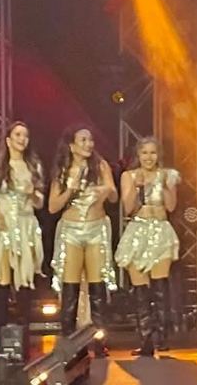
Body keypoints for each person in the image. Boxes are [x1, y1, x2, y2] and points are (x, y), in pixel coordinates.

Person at [48, 126, 117, 351]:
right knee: (71, 286)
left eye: (90, 140)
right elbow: (52, 207)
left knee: (97, 285)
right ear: (72, 145)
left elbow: (114, 196)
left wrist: (105, 190)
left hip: (96, 228)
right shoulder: (63, 170)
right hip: (71, 230)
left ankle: (98, 340)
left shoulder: (100, 166)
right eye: (83, 140)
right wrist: (71, 188)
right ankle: (69, 338)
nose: (89, 144)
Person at [114, 137, 180, 356]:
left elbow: (171, 206)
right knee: (140, 290)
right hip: (138, 231)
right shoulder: (129, 176)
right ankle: (146, 339)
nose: (148, 157)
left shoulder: (168, 175)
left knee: (160, 287)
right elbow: (127, 208)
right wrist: (137, 186)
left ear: (158, 155)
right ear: (138, 155)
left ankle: (161, 336)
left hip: (160, 231)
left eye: (153, 153)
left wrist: (164, 185)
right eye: (144, 153)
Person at [0, 121, 45, 325]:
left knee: (25, 275)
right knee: (3, 277)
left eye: (25, 135)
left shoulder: (34, 167)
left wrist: (32, 194)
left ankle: (23, 328)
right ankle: (0, 329)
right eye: (18, 135)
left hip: (26, 225)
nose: (22, 139)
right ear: (8, 140)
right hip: (5, 226)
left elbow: (40, 202)